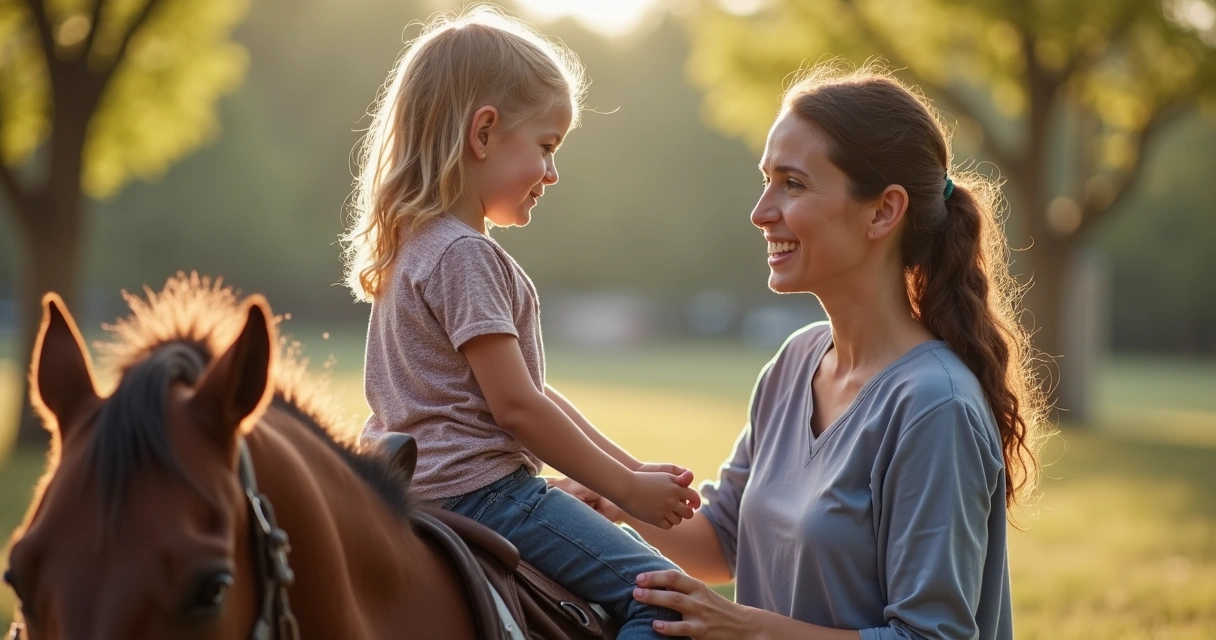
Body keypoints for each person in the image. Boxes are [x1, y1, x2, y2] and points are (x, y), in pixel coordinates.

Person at [556, 62, 1050, 639]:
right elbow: (722, 541)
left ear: (884, 211)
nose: (761, 211)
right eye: (766, 180)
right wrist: (619, 495)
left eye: (792, 184)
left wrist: (745, 628)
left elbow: (931, 635)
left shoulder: (935, 406)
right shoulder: (796, 362)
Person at [338, 6, 700, 638]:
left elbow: (528, 391)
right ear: (484, 133)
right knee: (667, 604)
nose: (553, 173)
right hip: (487, 497)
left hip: (415, 489)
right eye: (546, 146)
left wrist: (627, 473)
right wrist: (628, 489)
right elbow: (518, 409)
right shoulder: (465, 254)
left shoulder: (414, 248)